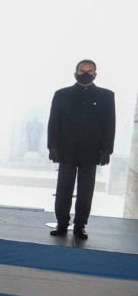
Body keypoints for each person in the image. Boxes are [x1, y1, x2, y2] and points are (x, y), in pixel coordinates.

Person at [47, 59, 115, 240]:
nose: (86, 73)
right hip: (66, 151)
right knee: (63, 190)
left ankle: (80, 226)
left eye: (90, 71)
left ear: (95, 74)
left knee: (86, 192)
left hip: (91, 153)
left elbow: (110, 125)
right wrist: (52, 146)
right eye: (82, 70)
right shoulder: (61, 94)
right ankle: (62, 224)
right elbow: (53, 122)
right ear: (75, 73)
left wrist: (107, 150)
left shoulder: (106, 96)